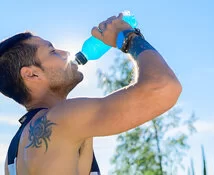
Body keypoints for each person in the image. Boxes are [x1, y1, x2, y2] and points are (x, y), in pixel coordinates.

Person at [1, 13, 182, 175]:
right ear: (31, 74)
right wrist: (127, 37)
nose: (66, 53)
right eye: (53, 51)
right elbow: (163, 87)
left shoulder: (13, 156)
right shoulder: (62, 118)